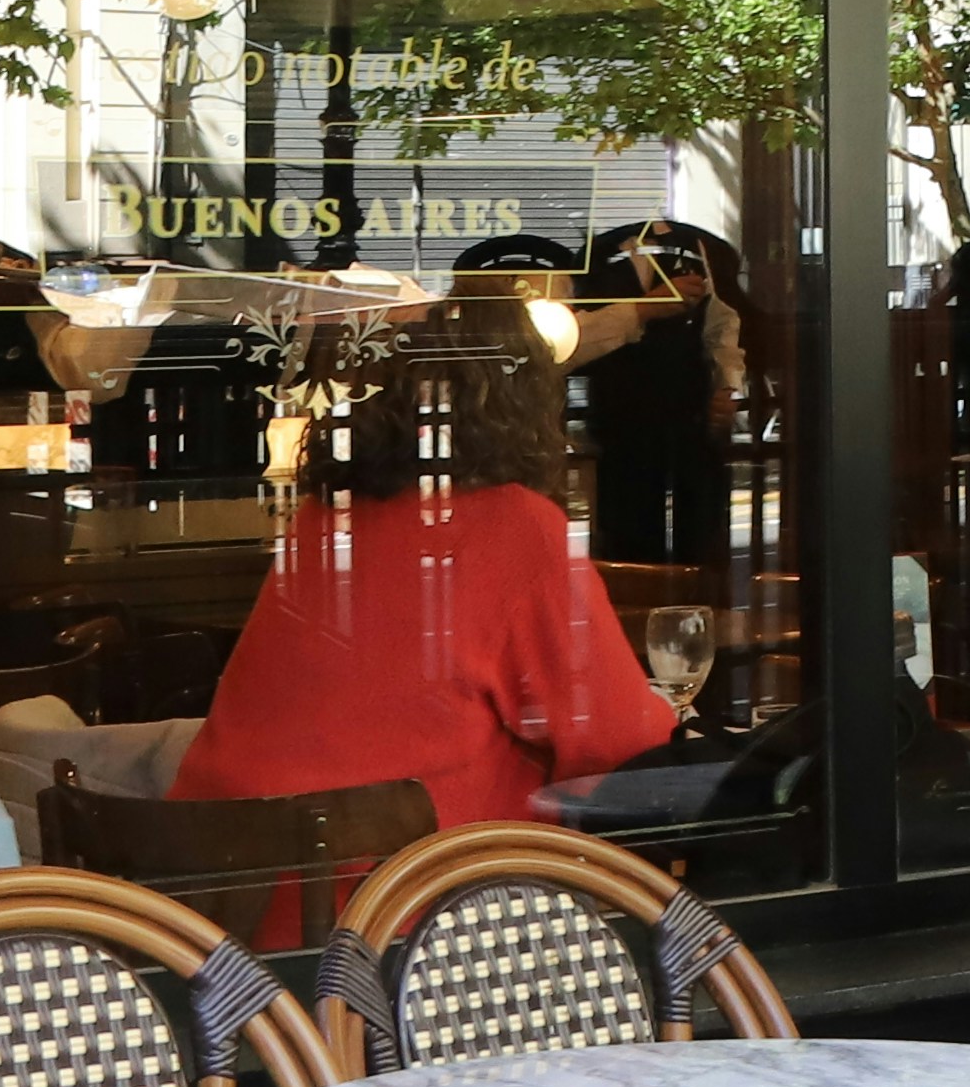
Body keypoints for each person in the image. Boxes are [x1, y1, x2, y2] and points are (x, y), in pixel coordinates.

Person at [178, 343, 674, 826]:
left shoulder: (325, 517)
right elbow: (622, 747)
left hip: (219, 886)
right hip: (396, 893)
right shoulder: (517, 526)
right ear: (524, 392)